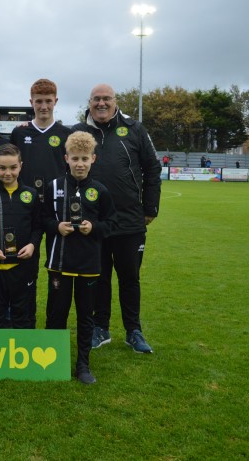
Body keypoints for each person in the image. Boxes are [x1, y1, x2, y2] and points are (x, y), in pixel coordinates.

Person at [72, 83, 161, 354]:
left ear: (115, 101)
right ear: (89, 103)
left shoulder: (135, 129)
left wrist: (150, 209)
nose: (101, 103)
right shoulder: (80, 132)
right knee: (98, 278)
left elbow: (153, 168)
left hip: (130, 221)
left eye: (106, 99)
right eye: (96, 99)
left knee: (129, 278)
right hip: (94, 224)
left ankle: (133, 330)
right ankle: (101, 328)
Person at [43, 131, 116, 384]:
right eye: (75, 158)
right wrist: (56, 227)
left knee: (86, 316)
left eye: (85, 158)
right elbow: (40, 219)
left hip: (89, 265)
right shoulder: (53, 187)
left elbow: (111, 223)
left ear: (93, 159)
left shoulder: (100, 191)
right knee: (56, 314)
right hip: (59, 264)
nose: (80, 164)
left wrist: (93, 228)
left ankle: (83, 365)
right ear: (66, 158)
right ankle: (52, 362)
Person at [10, 78, 71, 327]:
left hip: (58, 213)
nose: (43, 106)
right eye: (38, 101)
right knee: (26, 269)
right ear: (31, 103)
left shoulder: (65, 134)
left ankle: (54, 327)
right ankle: (27, 323)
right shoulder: (19, 132)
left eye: (48, 101)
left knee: (57, 269)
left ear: (55, 101)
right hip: (27, 211)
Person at [0, 144, 43, 329]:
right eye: (2, 168)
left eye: (13, 167)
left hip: (23, 266)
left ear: (20, 166)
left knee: (22, 314)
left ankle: (23, 353)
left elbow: (38, 227)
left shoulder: (31, 195)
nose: (8, 173)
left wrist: (32, 246)